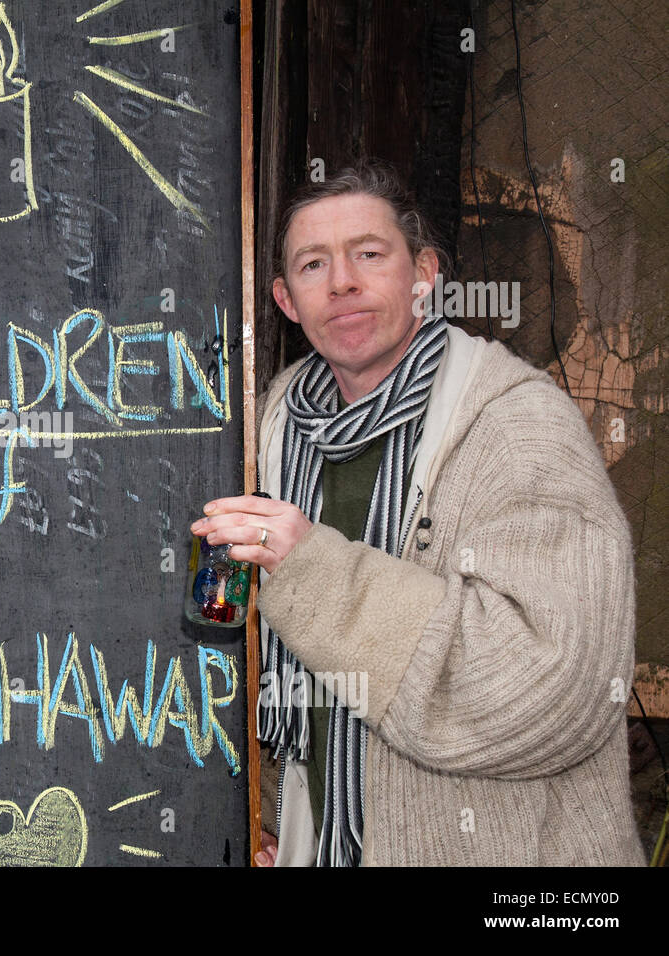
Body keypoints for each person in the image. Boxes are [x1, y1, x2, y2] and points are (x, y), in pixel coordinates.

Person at [191, 161, 644, 866]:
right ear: (286, 299)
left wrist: (316, 573)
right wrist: (273, 806)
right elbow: (276, 666)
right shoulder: (275, 427)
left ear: (425, 275)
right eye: (314, 264)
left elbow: (556, 689)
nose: (342, 282)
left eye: (369, 255)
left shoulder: (517, 425)